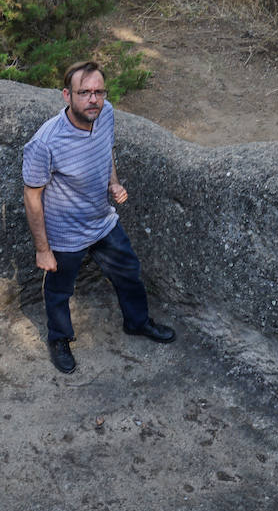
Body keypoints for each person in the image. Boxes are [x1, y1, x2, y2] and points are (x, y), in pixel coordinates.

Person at [22, 61, 175, 374]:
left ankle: (137, 322)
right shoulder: (45, 142)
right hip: (64, 234)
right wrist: (43, 249)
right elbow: (31, 195)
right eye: (84, 93)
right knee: (59, 291)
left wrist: (113, 182)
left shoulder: (105, 114)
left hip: (103, 222)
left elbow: (107, 151)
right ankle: (60, 339)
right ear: (67, 95)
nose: (93, 99)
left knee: (129, 273)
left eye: (98, 92)